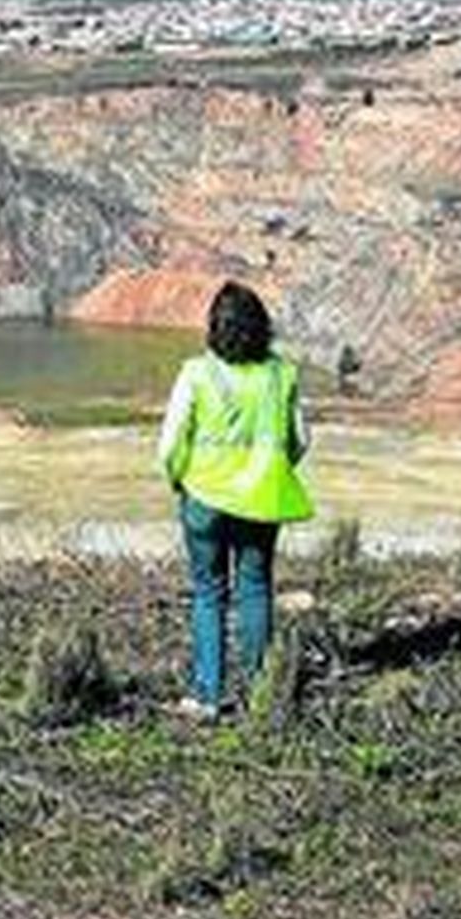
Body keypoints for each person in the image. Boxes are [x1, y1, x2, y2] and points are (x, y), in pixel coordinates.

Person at [157, 281, 315, 722]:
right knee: (256, 589)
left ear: (215, 327)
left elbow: (170, 443)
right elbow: (301, 440)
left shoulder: (196, 372)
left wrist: (178, 479)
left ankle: (206, 696)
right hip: (262, 499)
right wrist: (275, 469)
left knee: (209, 592)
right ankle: (260, 693)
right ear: (261, 327)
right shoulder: (282, 374)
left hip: (203, 497)